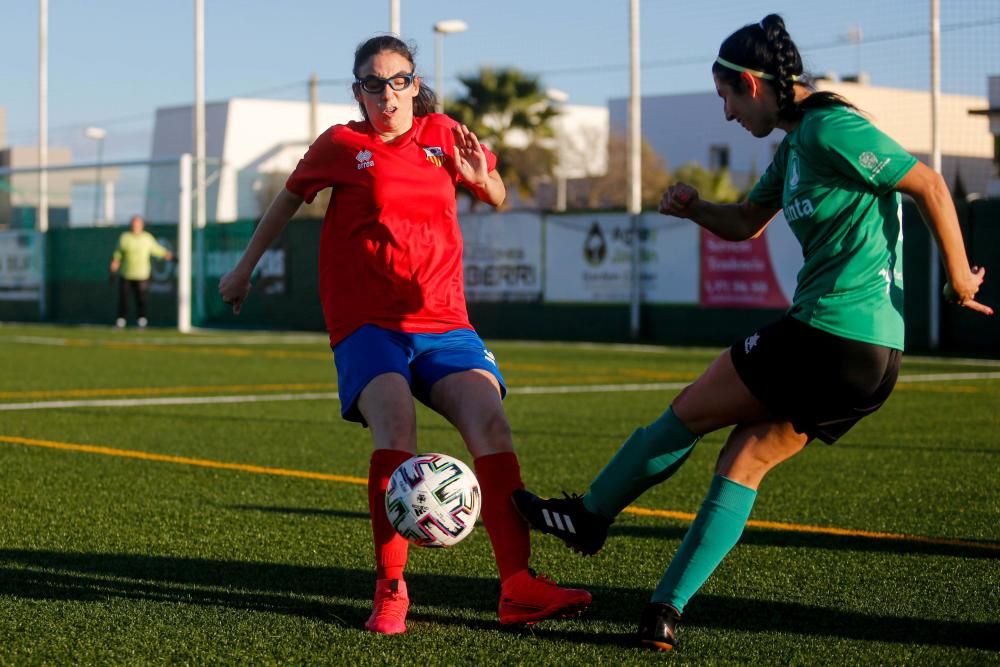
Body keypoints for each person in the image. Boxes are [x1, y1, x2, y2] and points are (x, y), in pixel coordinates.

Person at [513, 14, 993, 652]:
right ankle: (662, 613)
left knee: (685, 414)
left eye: (727, 98)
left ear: (752, 84)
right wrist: (696, 209)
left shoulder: (830, 126)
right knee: (743, 461)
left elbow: (928, 183)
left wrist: (960, 279)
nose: (727, 114)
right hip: (872, 360)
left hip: (831, 335)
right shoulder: (794, 149)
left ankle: (588, 517)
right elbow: (744, 223)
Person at [217, 35, 591, 635]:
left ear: (414, 84)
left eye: (398, 82)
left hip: (444, 321)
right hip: (368, 322)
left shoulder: (445, 133)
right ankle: (391, 589)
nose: (387, 95)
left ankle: (518, 587)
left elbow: (496, 195)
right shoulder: (342, 144)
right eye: (373, 83)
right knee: (397, 427)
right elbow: (286, 202)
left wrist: (481, 178)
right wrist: (243, 268)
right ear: (359, 90)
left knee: (490, 422)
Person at [110, 215, 174, 328]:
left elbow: (157, 250)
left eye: (138, 224)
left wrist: (169, 256)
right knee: (124, 298)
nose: (135, 226)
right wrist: (114, 266)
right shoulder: (125, 237)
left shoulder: (147, 238)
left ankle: (141, 320)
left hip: (142, 274)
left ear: (142, 225)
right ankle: (121, 320)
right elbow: (117, 254)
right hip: (126, 274)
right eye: (134, 224)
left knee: (141, 298)